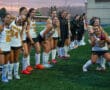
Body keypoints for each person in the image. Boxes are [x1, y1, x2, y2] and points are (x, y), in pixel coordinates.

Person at [8, 14, 26, 80]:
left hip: (17, 44)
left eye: (23, 19)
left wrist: (22, 46)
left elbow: (20, 36)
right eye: (21, 17)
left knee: (16, 59)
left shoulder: (22, 26)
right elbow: (8, 16)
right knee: (11, 60)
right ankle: (9, 74)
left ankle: (16, 74)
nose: (21, 19)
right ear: (18, 16)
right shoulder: (12, 21)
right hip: (10, 44)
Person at [0, 13, 12, 82]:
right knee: (1, 64)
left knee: (5, 64)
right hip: (1, 48)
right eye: (7, 17)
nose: (8, 19)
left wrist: (10, 47)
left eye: (9, 18)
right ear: (3, 18)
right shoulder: (1, 27)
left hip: (8, 48)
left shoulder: (10, 28)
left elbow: (9, 39)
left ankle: (4, 77)